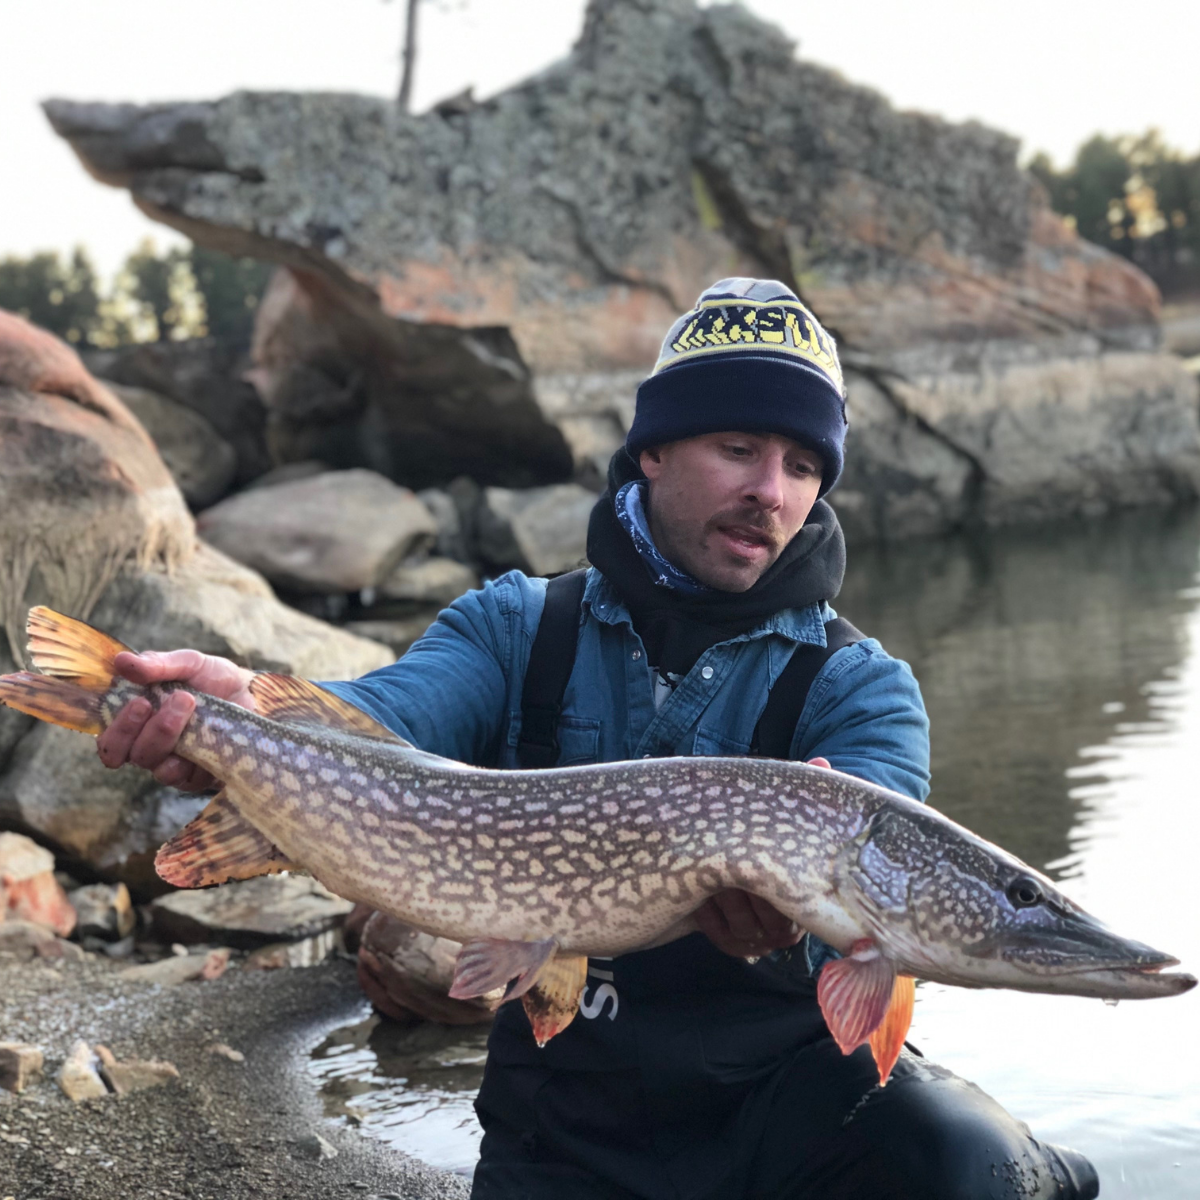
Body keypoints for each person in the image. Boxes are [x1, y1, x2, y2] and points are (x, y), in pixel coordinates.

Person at [95, 279, 1099, 1200]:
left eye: (802, 467)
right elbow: (384, 722)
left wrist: (798, 918)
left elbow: (868, 896)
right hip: (569, 1128)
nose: (773, 492)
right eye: (740, 449)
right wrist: (243, 719)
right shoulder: (517, 626)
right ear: (653, 450)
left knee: (965, 1165)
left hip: (783, 1116)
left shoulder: (863, 689)